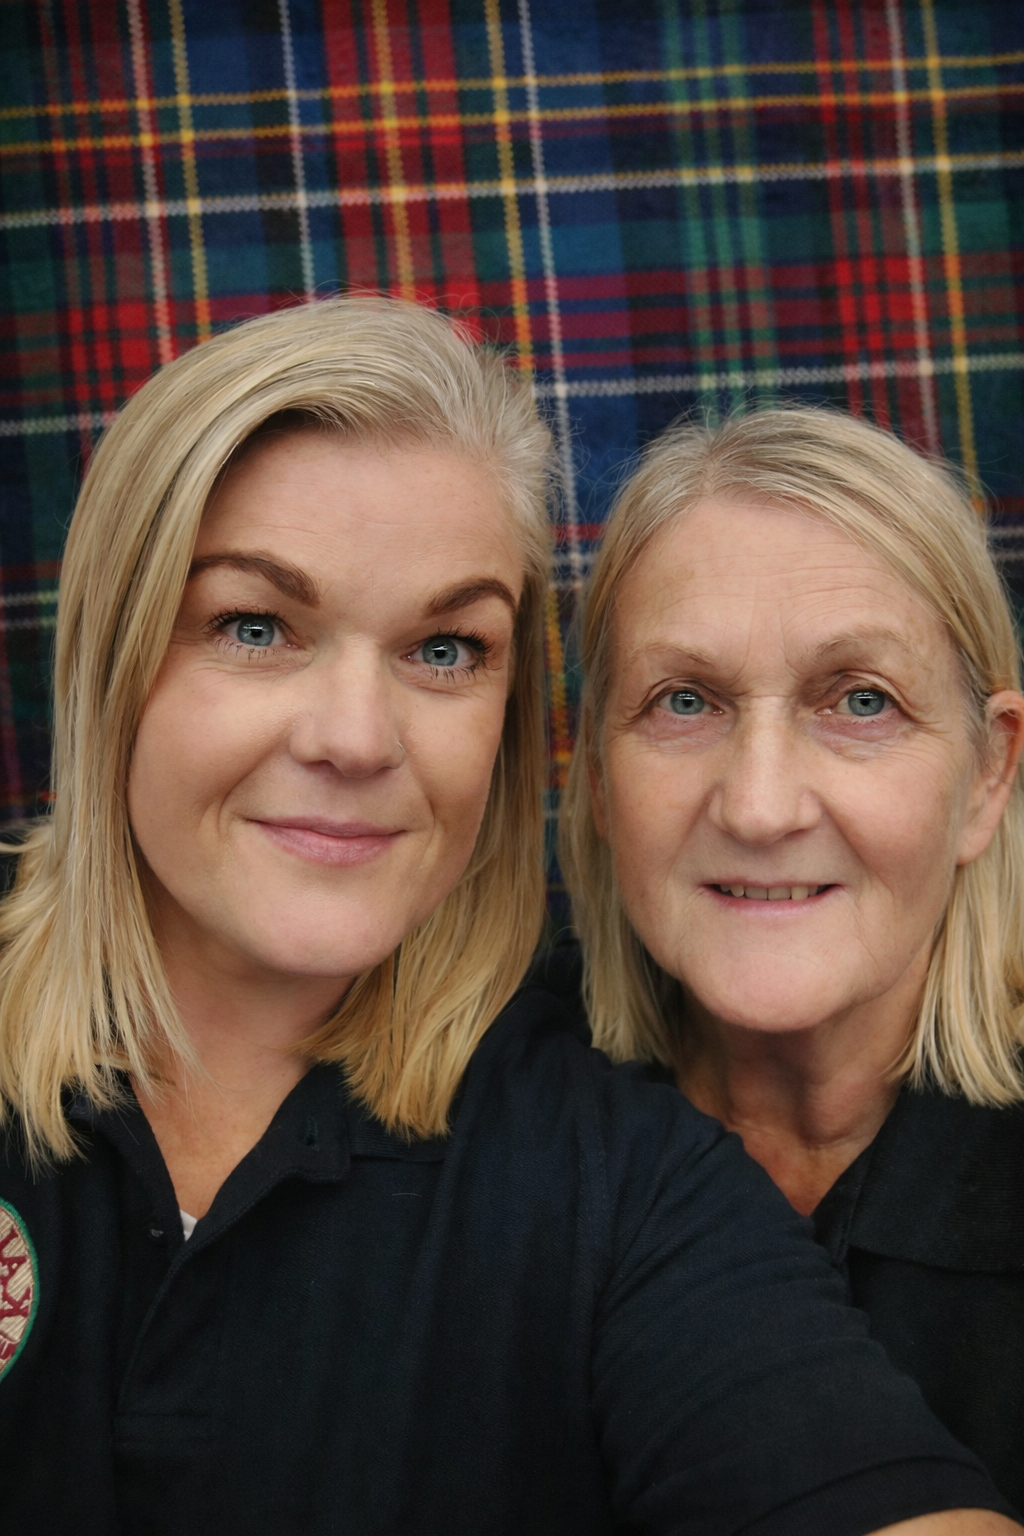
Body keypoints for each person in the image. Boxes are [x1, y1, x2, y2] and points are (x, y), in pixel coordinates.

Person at [0, 305, 1016, 1536]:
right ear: (589, 771)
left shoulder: (608, 1172)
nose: (354, 738)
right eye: (253, 628)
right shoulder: (614, 1082)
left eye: (444, 647)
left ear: (989, 775)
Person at [560, 404, 1024, 1516]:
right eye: (684, 701)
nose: (759, 806)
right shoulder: (479, 1120)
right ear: (594, 779)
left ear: (986, 778)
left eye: (860, 701)